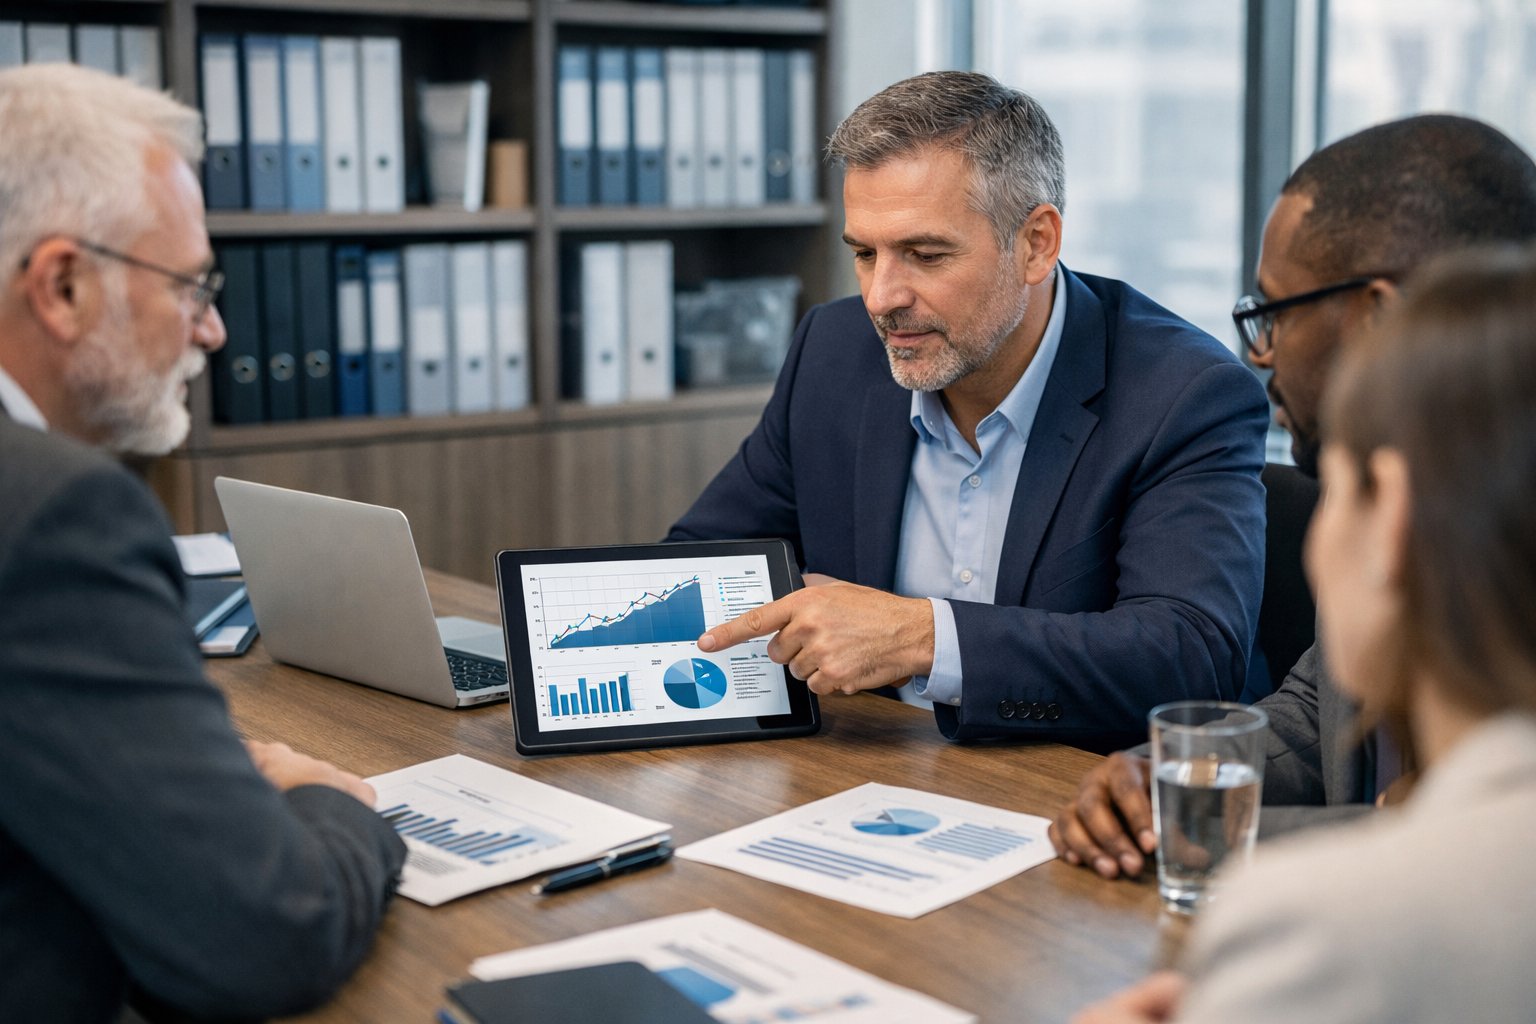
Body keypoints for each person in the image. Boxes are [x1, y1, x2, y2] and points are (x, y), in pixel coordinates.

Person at [669, 71, 1269, 750]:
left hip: (1079, 797)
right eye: (865, 254)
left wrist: (922, 636)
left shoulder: (1185, 392)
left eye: (925, 255)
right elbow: (701, 558)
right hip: (867, 767)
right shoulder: (834, 352)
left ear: (1037, 243)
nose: (880, 297)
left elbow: (1191, 657)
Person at [0, 64, 405, 1022]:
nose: (213, 330)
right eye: (189, 285)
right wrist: (329, 799)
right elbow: (268, 932)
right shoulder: (53, 515)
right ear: (61, 284)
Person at [1049, 113, 1536, 878]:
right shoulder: (1384, 492)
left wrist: (1212, 834)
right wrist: (1169, 784)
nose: (1260, 354)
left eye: (1277, 311)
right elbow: (1320, 718)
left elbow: (1460, 850)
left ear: (1380, 315)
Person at [1076, 243, 1536, 1024]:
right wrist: (1175, 780)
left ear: (1389, 516)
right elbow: (1308, 714)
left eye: (1336, 493)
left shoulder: (1322, 924)